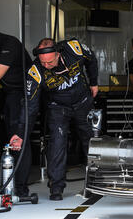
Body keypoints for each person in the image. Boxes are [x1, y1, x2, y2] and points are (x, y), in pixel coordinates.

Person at [9, 37, 98, 201]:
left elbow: (91, 59)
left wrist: (94, 82)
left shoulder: (74, 48)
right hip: (57, 107)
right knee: (57, 143)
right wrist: (21, 134)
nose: (46, 66)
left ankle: (98, 183)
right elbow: (30, 106)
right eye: (43, 62)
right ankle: (56, 188)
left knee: (91, 142)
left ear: (58, 54)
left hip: (83, 102)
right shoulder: (35, 71)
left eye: (49, 62)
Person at [0, 32, 33, 197]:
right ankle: (6, 184)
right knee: (6, 138)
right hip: (7, 92)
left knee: (17, 138)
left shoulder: (9, 44)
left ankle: (20, 189)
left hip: (22, 93)